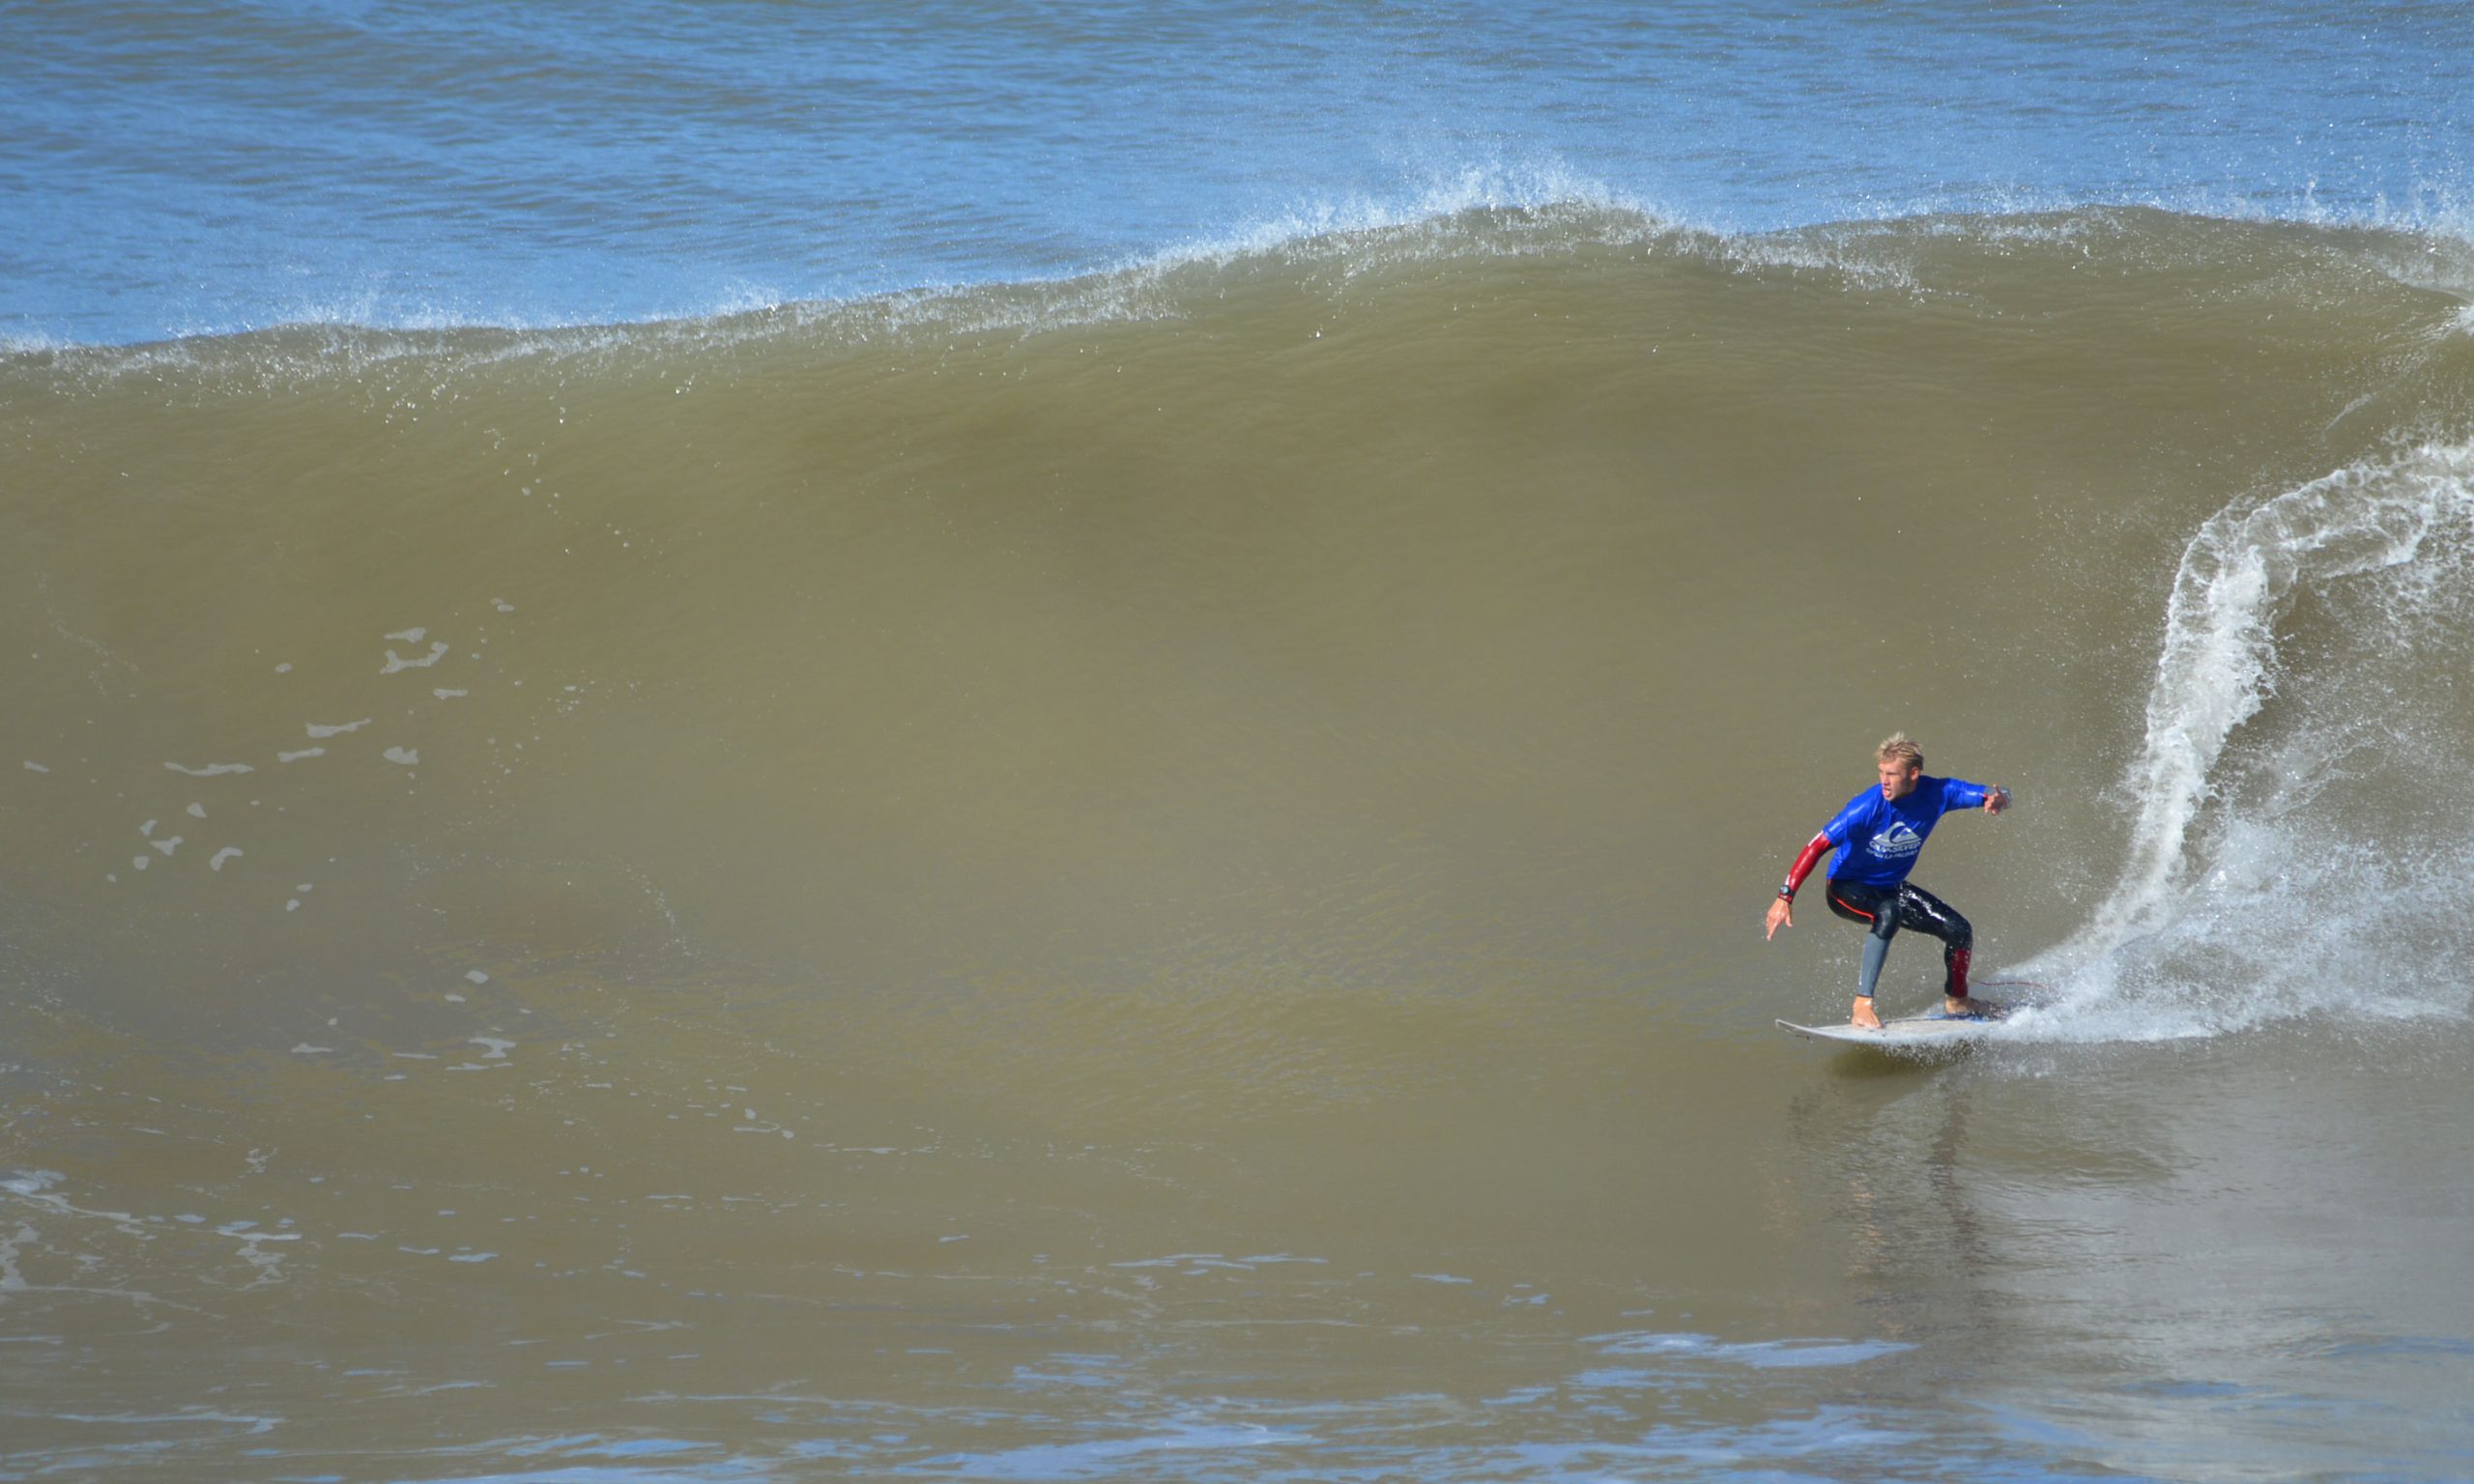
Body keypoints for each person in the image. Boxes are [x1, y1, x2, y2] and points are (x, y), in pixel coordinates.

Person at [1763, 732, 2010, 1028]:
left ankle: (1958, 1002)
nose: (1884, 781)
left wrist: (2001, 798)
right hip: (1846, 886)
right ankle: (1861, 1004)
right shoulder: (1866, 807)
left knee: (1959, 930)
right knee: (1888, 913)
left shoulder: (1940, 792)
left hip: (1890, 886)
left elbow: (1994, 792)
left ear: (1914, 774)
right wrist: (1784, 897)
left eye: (1891, 774)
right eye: (1881, 772)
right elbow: (1816, 845)